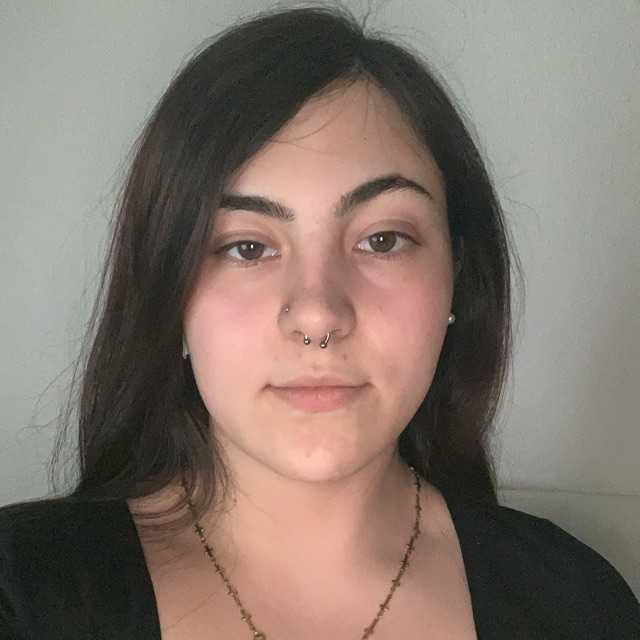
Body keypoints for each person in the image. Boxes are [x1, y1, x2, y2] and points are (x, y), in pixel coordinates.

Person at [0, 4, 638, 639]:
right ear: (170, 293)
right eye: (247, 247)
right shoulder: (24, 593)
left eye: (383, 240)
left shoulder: (577, 604)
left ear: (457, 276)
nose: (317, 315)